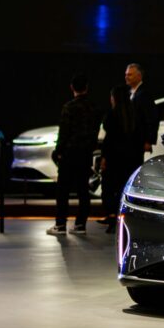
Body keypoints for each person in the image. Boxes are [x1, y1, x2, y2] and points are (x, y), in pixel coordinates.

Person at [47, 73, 101, 236]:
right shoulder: (94, 108)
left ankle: (60, 225)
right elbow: (95, 132)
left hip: (69, 154)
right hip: (84, 154)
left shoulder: (68, 107)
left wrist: (58, 152)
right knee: (83, 191)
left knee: (62, 190)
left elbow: (64, 133)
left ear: (72, 88)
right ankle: (80, 225)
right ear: (87, 88)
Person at [100, 84, 143, 234]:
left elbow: (108, 140)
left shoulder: (112, 115)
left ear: (114, 98)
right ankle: (124, 219)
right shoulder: (135, 115)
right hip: (132, 159)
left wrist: (104, 158)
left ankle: (112, 218)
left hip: (114, 159)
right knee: (124, 189)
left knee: (109, 188)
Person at [125, 63, 159, 158]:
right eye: (126, 74)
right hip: (130, 141)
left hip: (138, 141)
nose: (126, 77)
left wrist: (148, 141)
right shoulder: (129, 93)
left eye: (130, 74)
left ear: (139, 76)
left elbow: (152, 118)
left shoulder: (144, 94)